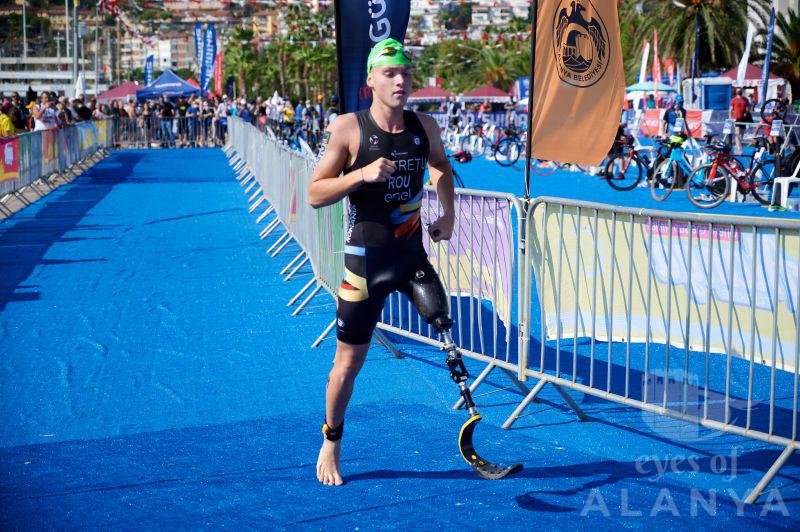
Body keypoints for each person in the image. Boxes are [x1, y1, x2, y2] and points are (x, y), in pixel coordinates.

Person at [308, 38, 456, 486]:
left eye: (406, 74)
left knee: (445, 324)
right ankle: (331, 439)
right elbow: (315, 193)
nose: (400, 81)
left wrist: (448, 213)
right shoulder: (349, 129)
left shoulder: (423, 125)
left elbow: (442, 167)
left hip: (411, 256)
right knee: (347, 364)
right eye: (390, 73)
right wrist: (359, 175)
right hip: (364, 266)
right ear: (370, 79)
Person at [729, 88, 750, 154]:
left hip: (743, 118)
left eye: (740, 91)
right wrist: (730, 118)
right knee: (737, 133)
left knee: (742, 134)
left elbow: (748, 108)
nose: (739, 92)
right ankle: (739, 148)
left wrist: (746, 112)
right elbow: (730, 110)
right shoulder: (733, 100)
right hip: (736, 118)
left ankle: (736, 146)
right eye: (738, 91)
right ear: (736, 92)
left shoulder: (745, 100)